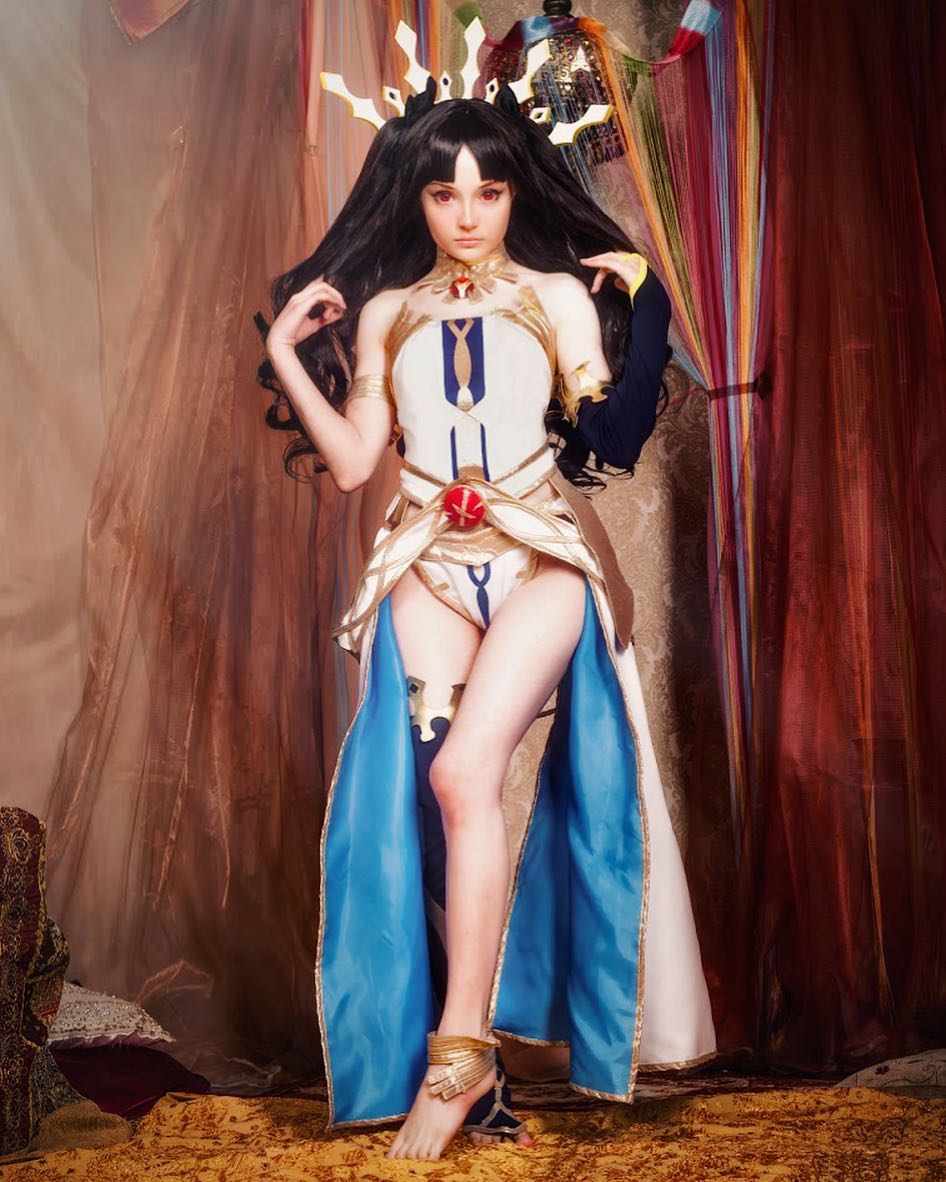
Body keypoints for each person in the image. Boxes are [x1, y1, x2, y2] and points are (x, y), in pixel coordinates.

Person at [260, 82, 716, 1163]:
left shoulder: (555, 297)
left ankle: (458, 1058)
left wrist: (648, 298)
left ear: (514, 195)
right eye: (445, 194)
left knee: (468, 776)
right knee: (420, 799)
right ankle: (469, 1053)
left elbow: (611, 436)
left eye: (490, 191)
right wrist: (284, 352)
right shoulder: (386, 312)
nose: (467, 214)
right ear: (415, 199)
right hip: (426, 562)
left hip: (536, 562)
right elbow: (356, 465)